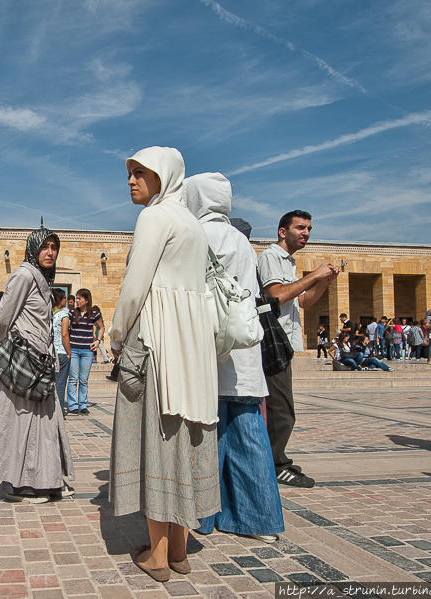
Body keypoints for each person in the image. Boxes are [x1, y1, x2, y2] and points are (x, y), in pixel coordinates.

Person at [108, 147, 218, 580]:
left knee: (156, 437)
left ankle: (156, 556)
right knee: (186, 433)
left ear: (163, 176)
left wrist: (117, 335)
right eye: (130, 173)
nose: (132, 180)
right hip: (193, 342)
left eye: (141, 173)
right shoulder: (193, 223)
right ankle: (179, 549)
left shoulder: (154, 217)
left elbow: (136, 286)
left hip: (158, 338)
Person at [185, 171, 284, 544]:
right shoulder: (243, 242)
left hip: (211, 351)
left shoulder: (197, 235)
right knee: (248, 436)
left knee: (207, 438)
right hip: (243, 352)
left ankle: (204, 517)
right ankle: (258, 520)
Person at [0, 222, 74, 504]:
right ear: (34, 248)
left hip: (39, 363)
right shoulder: (24, 275)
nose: (50, 252)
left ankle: (42, 481)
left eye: (54, 247)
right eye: (46, 247)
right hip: (24, 365)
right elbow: (3, 318)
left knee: (42, 424)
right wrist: (8, 351)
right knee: (23, 423)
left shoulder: (40, 278)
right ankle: (23, 483)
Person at [257, 210, 338, 488]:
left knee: (280, 407)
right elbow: (277, 294)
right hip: (273, 343)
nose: (306, 233)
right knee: (282, 409)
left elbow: (303, 303)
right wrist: (313, 274)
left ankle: (271, 460)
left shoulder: (288, 263)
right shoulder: (270, 257)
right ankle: (277, 464)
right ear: (283, 231)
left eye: (309, 229)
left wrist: (323, 282)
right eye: (300, 228)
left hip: (286, 343)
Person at [63, 288, 102, 416]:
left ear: (86, 300)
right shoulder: (72, 313)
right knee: (73, 378)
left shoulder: (94, 313)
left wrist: (98, 341)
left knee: (84, 379)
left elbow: (101, 327)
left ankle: (83, 405)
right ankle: (72, 405)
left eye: (79, 298)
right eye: (77, 298)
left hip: (87, 351)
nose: (76, 301)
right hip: (73, 350)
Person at [50, 288, 70, 415]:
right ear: (60, 300)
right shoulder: (64, 315)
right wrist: (69, 352)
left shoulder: (49, 313)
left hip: (50, 352)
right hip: (61, 352)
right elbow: (64, 334)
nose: (66, 300)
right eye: (64, 298)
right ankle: (59, 411)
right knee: (61, 383)